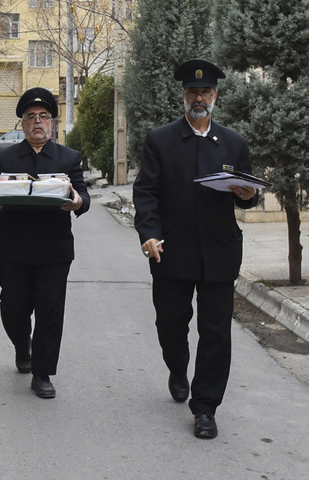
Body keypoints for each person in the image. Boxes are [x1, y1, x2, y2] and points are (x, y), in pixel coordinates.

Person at [133, 59, 259, 439]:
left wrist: (248, 195)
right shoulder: (161, 140)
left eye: (205, 92)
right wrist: (149, 233)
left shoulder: (234, 143)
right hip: (171, 251)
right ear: (183, 96)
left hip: (219, 253)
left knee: (216, 331)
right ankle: (177, 367)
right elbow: (147, 192)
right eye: (192, 92)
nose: (199, 98)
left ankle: (205, 407)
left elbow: (247, 196)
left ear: (216, 96)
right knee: (171, 324)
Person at [0, 87, 90, 399]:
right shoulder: (6, 157)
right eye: (30, 117)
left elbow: (82, 195)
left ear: (52, 124)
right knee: (13, 309)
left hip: (54, 250)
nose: (37, 122)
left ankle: (43, 374)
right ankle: (21, 344)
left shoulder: (69, 158)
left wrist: (78, 200)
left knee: (50, 312)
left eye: (43, 117)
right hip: (14, 249)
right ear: (23, 124)